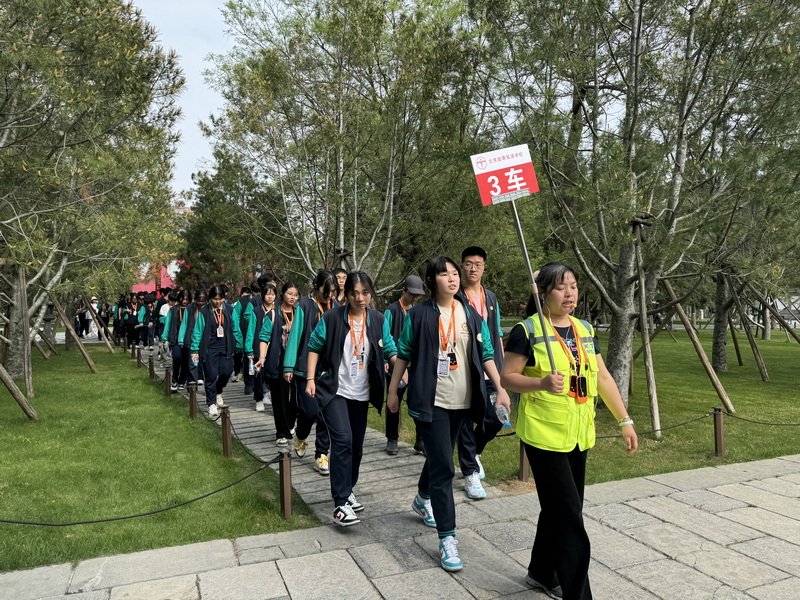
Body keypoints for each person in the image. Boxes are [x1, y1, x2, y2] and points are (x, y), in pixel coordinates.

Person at [500, 262, 638, 600]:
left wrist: (624, 420)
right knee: (569, 518)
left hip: (578, 434)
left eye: (573, 286)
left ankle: (541, 572)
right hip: (543, 435)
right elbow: (507, 377)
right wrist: (541, 383)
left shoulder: (585, 330)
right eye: (561, 287)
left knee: (562, 509)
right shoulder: (527, 330)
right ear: (542, 293)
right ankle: (579, 594)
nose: (569, 293)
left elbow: (602, 377)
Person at [387, 256, 510, 573]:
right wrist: (392, 391)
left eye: (455, 273)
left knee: (439, 456)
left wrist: (500, 387)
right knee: (444, 467)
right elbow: (404, 353)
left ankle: (422, 496)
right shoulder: (419, 315)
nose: (453, 278)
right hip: (433, 402)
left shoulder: (470, 314)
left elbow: (486, 353)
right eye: (445, 274)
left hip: (464, 402)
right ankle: (447, 538)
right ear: (432, 281)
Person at [305, 272, 398, 526]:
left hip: (361, 393)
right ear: (346, 295)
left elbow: (389, 347)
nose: (360, 298)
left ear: (371, 294)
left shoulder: (377, 319)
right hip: (335, 391)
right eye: (354, 293)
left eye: (365, 293)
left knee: (356, 446)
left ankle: (348, 489)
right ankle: (340, 503)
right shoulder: (332, 317)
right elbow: (314, 346)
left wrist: (400, 368)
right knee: (343, 440)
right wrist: (311, 379)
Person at [457, 246, 505, 499]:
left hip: (491, 369)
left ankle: (474, 451)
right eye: (468, 264)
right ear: (461, 266)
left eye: (477, 264)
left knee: (496, 418)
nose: (473, 268)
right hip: (465, 369)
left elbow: (497, 332)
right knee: (465, 421)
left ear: (484, 267)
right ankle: (470, 472)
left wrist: (502, 366)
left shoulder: (491, 298)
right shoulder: (456, 296)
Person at [283, 270, 336, 476]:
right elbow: (295, 336)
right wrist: (289, 366)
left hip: (328, 369)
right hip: (305, 369)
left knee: (325, 415)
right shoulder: (304, 306)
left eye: (333, 292)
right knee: (309, 412)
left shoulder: (336, 307)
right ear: (315, 287)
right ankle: (301, 434)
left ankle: (321, 454)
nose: (329, 296)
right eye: (326, 291)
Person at [383, 274, 425, 456]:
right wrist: (385, 360)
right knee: (394, 402)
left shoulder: (419, 311)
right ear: (404, 290)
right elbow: (384, 337)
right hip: (396, 364)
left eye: (418, 295)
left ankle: (421, 439)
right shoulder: (391, 311)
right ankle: (392, 438)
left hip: (416, 366)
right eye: (412, 294)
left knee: (419, 402)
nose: (415, 298)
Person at [255, 282, 300, 448]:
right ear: (283, 294)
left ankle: (289, 424)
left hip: (297, 363)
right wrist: (262, 357)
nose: (293, 297)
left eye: (295, 294)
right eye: (289, 293)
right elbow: (264, 337)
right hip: (278, 362)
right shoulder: (273, 314)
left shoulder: (299, 314)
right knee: (279, 399)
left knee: (297, 398)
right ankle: (281, 433)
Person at [190, 285, 245, 417]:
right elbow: (198, 331)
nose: (218, 301)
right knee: (211, 375)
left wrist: (240, 344)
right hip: (209, 348)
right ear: (210, 299)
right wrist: (194, 349)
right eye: (215, 299)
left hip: (226, 346)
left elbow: (235, 327)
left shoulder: (230, 310)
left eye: (220, 299)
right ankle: (211, 403)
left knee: (226, 372)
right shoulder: (204, 312)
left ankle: (218, 390)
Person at [246, 283, 277, 412]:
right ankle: (258, 399)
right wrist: (249, 349)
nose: (270, 297)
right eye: (268, 294)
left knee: (271, 375)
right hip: (258, 348)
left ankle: (267, 394)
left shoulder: (277, 311)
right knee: (258, 376)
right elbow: (250, 331)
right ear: (263, 295)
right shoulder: (256, 311)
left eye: (273, 294)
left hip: (273, 349)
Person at [161, 290, 191, 391]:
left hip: (187, 339)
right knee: (177, 358)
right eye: (183, 299)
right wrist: (164, 337)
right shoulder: (173, 310)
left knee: (186, 360)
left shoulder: (191, 310)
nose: (185, 301)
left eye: (187, 299)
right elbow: (168, 323)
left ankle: (182, 381)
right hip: (175, 338)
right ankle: (174, 379)